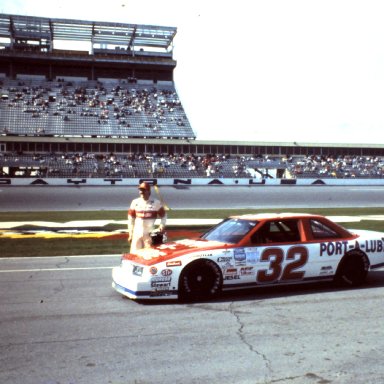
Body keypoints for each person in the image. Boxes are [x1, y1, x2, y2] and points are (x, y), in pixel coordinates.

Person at [127, 182, 167, 253]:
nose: (141, 192)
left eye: (143, 190)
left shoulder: (156, 203)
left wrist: (161, 226)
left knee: (149, 256)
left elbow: (164, 216)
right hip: (137, 234)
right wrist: (130, 233)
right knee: (134, 255)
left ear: (148, 191)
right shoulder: (135, 202)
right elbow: (130, 219)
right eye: (140, 190)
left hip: (149, 234)